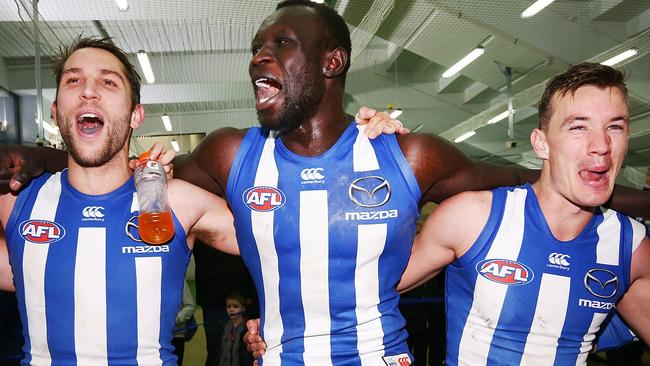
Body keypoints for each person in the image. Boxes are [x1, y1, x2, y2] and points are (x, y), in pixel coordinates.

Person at [3, 1, 650, 365]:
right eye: (256, 46)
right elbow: (134, 181)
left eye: (279, 43)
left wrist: (640, 200)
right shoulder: (229, 156)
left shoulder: (404, 154)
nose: (259, 56)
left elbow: (528, 183)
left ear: (333, 62)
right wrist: (34, 164)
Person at [0, 37, 240, 365]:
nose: (88, 91)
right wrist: (37, 155)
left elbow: (290, 243)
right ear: (56, 111)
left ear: (135, 115)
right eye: (73, 80)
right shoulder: (16, 201)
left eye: (108, 82)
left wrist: (270, 325)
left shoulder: (177, 201)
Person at [394, 62, 650, 365]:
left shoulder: (631, 247)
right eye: (578, 127)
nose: (601, 145)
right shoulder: (472, 217)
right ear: (541, 143)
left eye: (615, 127)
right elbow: (357, 289)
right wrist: (363, 150)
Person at [217, 292, 254, 366]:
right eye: (228, 306)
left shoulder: (248, 328)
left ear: (243, 308)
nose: (231, 309)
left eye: (235, 306)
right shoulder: (222, 326)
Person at [172, 280, 196, 366]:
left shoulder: (178, 279)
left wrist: (175, 319)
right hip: (154, 337)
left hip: (176, 335)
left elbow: (190, 306)